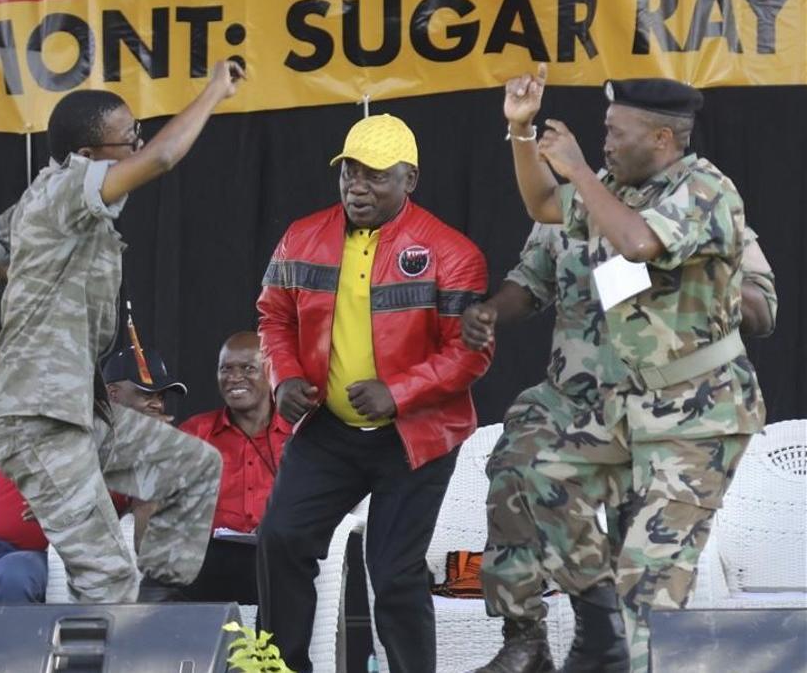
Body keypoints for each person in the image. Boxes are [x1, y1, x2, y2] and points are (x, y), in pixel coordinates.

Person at [502, 64, 765, 672]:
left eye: (616, 132)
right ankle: (593, 629)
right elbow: (544, 203)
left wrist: (579, 171)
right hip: (628, 408)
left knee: (647, 594)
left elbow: (640, 244)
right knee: (530, 473)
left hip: (700, 417)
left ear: (662, 140)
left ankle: (622, 637)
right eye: (603, 131)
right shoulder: (614, 185)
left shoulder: (706, 191)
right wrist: (522, 133)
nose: (605, 142)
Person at [0, 60, 244, 603]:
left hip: (74, 413)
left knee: (191, 468)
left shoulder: (39, 203)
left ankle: (161, 605)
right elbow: (163, 157)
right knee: (107, 574)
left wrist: (40, 274)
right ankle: (124, 645)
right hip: (34, 418)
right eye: (127, 140)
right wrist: (212, 92)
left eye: (137, 135)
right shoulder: (68, 187)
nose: (137, 146)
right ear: (87, 157)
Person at [465, 221, 777, 673]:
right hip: (572, 402)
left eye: (620, 142)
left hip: (663, 414)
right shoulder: (566, 210)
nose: (611, 148)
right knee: (518, 465)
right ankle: (526, 637)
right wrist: (491, 310)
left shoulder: (699, 211)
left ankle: (618, 644)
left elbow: (761, 312)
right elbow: (531, 282)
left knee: (639, 568)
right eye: (607, 143)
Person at [255, 114, 492, 672]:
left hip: (416, 437)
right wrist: (283, 376)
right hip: (330, 431)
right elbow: (273, 316)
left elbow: (471, 353)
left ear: (409, 179)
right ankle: (278, 669)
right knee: (281, 539)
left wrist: (399, 392)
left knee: (393, 571)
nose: (357, 186)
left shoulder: (453, 252)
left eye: (375, 176)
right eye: (349, 173)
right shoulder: (302, 236)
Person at [0, 347, 183, 673]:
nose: (158, 403)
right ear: (113, 393)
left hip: (41, 555)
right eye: (146, 394)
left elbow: (147, 542)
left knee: (11, 578)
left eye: (162, 396)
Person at [179, 332, 290, 605]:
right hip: (209, 559)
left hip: (276, 555)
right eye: (225, 369)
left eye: (247, 368)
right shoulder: (196, 433)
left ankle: (271, 649)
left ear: (270, 371)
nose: (234, 377)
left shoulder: (298, 435)